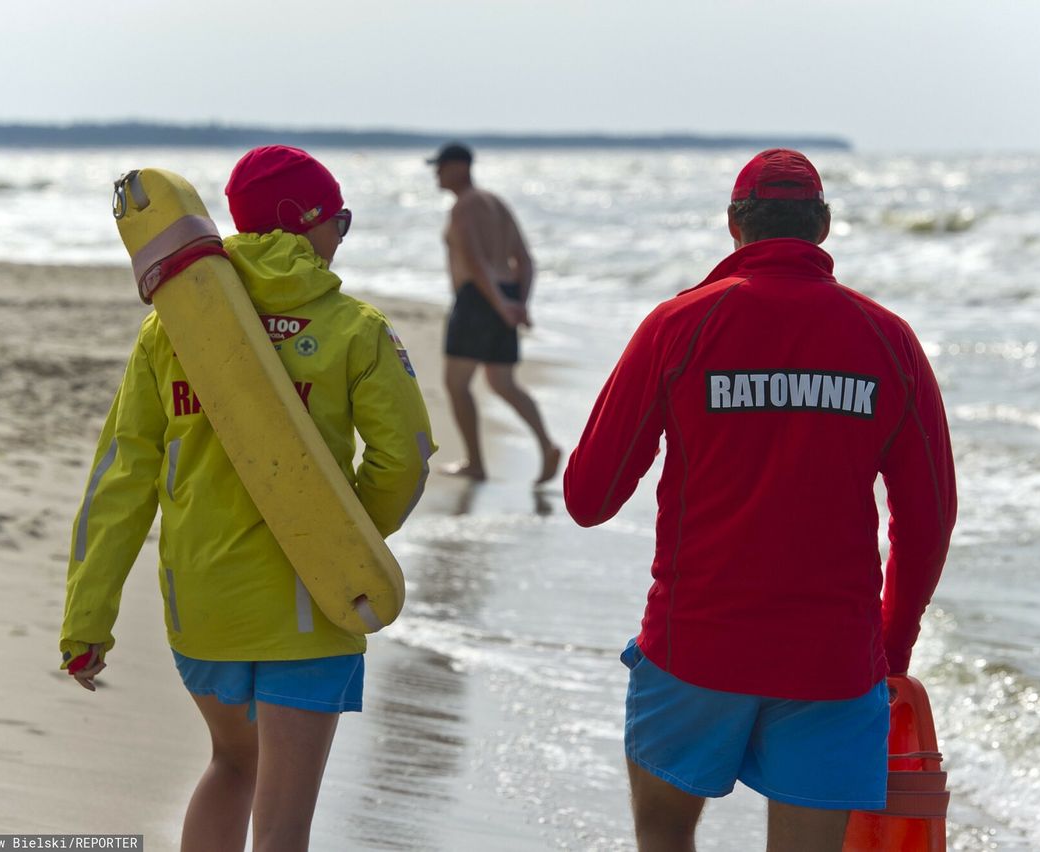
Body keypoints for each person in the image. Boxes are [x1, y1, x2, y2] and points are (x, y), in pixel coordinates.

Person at [563, 149, 957, 852]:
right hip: (833, 663)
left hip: (695, 648)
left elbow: (588, 497)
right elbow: (927, 524)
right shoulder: (888, 341)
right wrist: (888, 646)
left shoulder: (677, 327)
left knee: (663, 837)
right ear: (824, 226)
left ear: (733, 226)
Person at [59, 145, 435, 852]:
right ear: (306, 223)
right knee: (284, 827)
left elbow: (120, 479)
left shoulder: (167, 331)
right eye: (340, 220)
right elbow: (405, 460)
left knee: (231, 764)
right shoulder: (356, 330)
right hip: (311, 604)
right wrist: (341, 536)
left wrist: (87, 620)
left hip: (202, 605)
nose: (341, 238)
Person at [429, 141, 560, 483]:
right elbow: (526, 260)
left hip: (477, 299)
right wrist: (520, 304)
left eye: (440, 167)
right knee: (502, 382)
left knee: (456, 384)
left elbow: (474, 260)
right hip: (506, 295)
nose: (436, 174)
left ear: (459, 167)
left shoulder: (464, 207)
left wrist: (500, 306)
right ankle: (546, 445)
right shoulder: (497, 204)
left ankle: (475, 463)